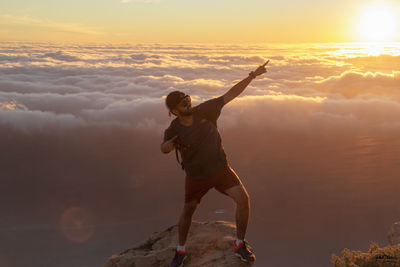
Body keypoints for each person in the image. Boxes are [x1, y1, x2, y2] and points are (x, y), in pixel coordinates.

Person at [161, 61, 269, 267]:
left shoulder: (206, 111)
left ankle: (239, 244)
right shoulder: (174, 129)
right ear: (174, 111)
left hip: (221, 170)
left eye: (188, 99)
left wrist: (252, 76)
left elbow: (230, 94)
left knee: (243, 200)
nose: (188, 104)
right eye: (183, 103)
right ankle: (180, 251)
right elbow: (163, 149)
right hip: (196, 176)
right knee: (188, 210)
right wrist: (170, 143)